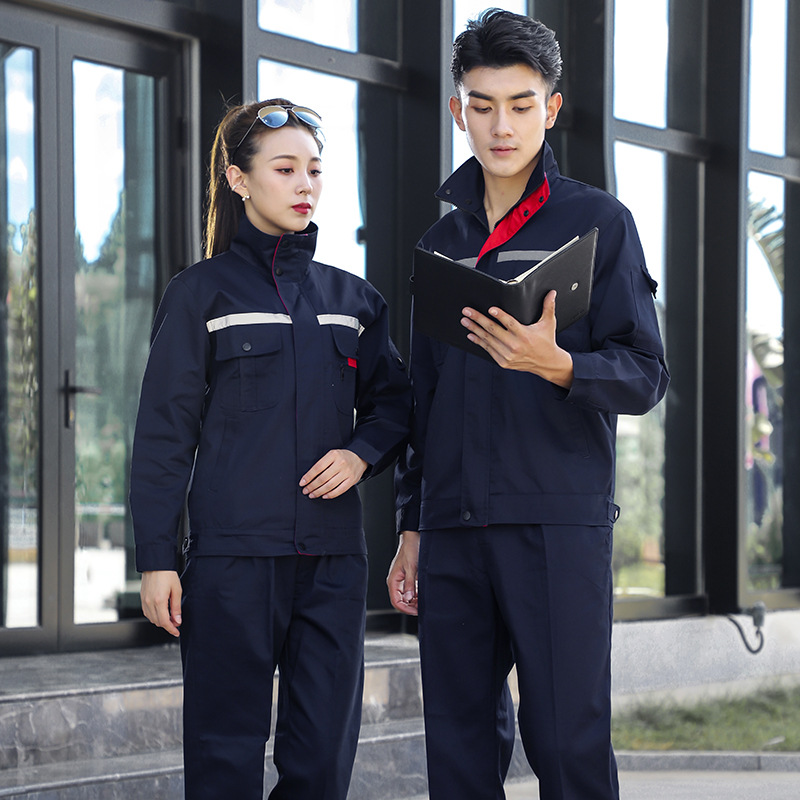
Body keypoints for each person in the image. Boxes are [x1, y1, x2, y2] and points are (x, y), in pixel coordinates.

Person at [387, 9, 669, 800]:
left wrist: (561, 365)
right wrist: (412, 526)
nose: (501, 126)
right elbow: (423, 398)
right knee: (458, 748)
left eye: (520, 104)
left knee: (567, 741)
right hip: (453, 529)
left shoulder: (598, 224)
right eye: (482, 105)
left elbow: (645, 373)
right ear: (458, 111)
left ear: (551, 108)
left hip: (555, 524)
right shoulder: (442, 243)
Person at [130, 98, 411, 800]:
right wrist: (157, 560)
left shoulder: (353, 300)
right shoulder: (199, 295)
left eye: (313, 169)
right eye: (284, 169)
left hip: (332, 564)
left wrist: (360, 454)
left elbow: (397, 403)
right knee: (224, 756)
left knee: (321, 762)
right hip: (232, 564)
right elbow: (164, 434)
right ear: (239, 179)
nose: (304, 184)